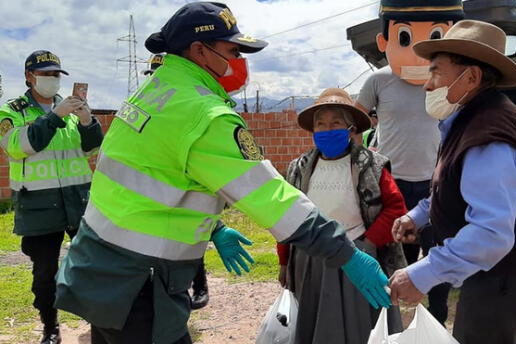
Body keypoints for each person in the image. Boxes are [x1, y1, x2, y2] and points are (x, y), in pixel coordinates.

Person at [54, 3, 390, 344]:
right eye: (233, 51)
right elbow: (272, 198)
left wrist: (213, 227)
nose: (239, 62)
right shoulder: (206, 115)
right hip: (140, 282)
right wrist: (345, 253)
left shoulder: (153, 92)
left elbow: (156, 177)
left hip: (99, 264)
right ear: (200, 51)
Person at [389, 20, 516, 344]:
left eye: (436, 72)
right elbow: (450, 189)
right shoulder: (466, 121)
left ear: (471, 77)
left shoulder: (489, 134)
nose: (428, 85)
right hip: (497, 267)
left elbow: (490, 233)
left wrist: (421, 273)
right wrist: (417, 216)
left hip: (509, 271)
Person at [355, 0, 463, 325]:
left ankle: (436, 325)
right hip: (392, 187)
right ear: (384, 42)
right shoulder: (379, 81)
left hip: (437, 188)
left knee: (438, 264)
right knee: (395, 264)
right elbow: (355, 123)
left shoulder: (450, 81)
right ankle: (391, 328)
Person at [276, 88, 406, 343]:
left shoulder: (370, 164)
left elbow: (395, 208)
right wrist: (284, 262)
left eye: (336, 122)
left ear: (350, 129)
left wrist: (367, 245)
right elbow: (285, 217)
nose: (327, 129)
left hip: (357, 254)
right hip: (310, 258)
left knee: (361, 324)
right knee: (315, 323)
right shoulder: (298, 169)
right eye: (320, 124)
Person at [0, 50, 103, 344]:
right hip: (38, 204)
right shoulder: (12, 111)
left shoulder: (69, 109)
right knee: (45, 272)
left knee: (92, 264)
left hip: (77, 201)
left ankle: (100, 321)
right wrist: (54, 117)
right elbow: (20, 146)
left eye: (56, 75)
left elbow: (91, 150)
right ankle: (50, 326)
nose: (52, 80)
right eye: (45, 74)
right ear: (29, 77)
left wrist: (86, 121)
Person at [141, 52, 212, 311]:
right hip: (155, 185)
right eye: (153, 75)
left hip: (187, 182)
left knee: (191, 236)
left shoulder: (190, 104)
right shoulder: (144, 106)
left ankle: (200, 285)